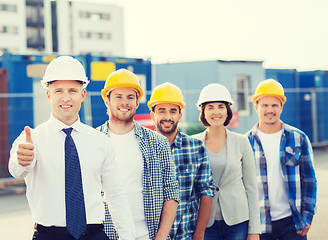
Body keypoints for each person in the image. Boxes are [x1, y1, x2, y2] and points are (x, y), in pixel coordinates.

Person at [9, 56, 135, 240]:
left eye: (73, 90)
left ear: (82, 95)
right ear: (48, 95)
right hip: (49, 235)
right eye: (58, 90)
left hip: (94, 235)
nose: (66, 98)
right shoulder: (31, 139)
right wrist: (21, 161)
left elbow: (116, 195)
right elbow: (16, 170)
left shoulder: (100, 141)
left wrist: (128, 237)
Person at [96, 69, 180, 240]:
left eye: (130, 97)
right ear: (107, 100)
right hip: (106, 235)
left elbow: (171, 193)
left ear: (137, 101)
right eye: (118, 96)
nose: (124, 102)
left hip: (147, 235)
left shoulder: (158, 143)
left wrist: (161, 237)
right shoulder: (93, 142)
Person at [247, 79, 317, 240]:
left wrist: (307, 216)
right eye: (265, 105)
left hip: (292, 222)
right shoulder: (246, 142)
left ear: (281, 107)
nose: (270, 110)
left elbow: (309, 180)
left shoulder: (299, 138)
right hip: (260, 223)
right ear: (256, 107)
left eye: (274, 105)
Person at [192, 83, 260, 240]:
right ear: (203, 111)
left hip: (237, 222)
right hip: (203, 223)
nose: (216, 112)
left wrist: (254, 230)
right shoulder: (193, 144)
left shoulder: (242, 142)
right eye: (210, 107)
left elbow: (251, 188)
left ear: (228, 110)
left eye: (220, 106)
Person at [148, 82, 215, 240]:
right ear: (153, 115)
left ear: (180, 115)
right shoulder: (142, 148)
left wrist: (199, 235)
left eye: (173, 111)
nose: (167, 117)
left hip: (185, 235)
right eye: (161, 111)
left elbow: (206, 192)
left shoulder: (196, 148)